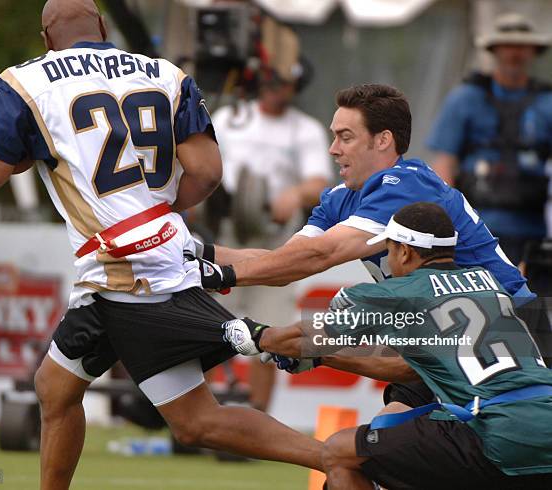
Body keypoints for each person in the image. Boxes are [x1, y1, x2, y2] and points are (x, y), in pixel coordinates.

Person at [0, 1, 326, 488]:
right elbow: (208, 173)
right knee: (58, 390)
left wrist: (21, 151)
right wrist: (161, 214)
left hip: (126, 271)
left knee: (201, 416)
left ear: (46, 38)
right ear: (105, 28)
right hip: (140, 257)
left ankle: (335, 456)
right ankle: (336, 449)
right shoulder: (164, 74)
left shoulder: (26, 81)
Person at [197, 82, 550, 409]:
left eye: (345, 137)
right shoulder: (340, 197)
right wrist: (199, 253)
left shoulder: (406, 185)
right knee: (377, 443)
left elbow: (320, 254)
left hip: (512, 334)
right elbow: (284, 261)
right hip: (453, 338)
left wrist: (217, 276)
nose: (333, 149)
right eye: (334, 137)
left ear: (383, 140)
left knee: (387, 450)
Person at [231, 202, 552, 490]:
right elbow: (404, 366)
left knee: (339, 451)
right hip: (543, 418)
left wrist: (259, 335)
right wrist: (323, 358)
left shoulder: (399, 291)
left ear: (405, 252)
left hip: (497, 429)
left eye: (389, 248)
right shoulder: (488, 282)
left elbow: (308, 335)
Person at [211, 41, 332, 410]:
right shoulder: (229, 120)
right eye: (271, 79)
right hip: (225, 232)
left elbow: (319, 183)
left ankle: (256, 417)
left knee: (269, 327)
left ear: (295, 85)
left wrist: (293, 195)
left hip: (275, 240)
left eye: (284, 81)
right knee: (201, 319)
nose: (276, 87)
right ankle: (195, 413)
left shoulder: (304, 130)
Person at [427, 12, 552, 265]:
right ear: (494, 50)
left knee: (533, 303)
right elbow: (444, 164)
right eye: (507, 46)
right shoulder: (465, 98)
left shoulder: (547, 101)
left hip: (535, 230)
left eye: (521, 46)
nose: (513, 54)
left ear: (533, 51)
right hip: (476, 227)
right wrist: (446, 223)